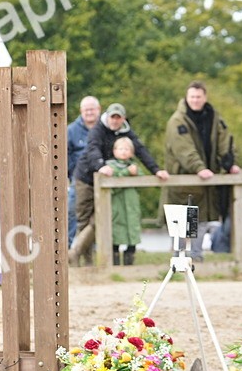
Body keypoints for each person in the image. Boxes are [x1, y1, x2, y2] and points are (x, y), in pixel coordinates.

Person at [68, 102, 169, 266]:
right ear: (107, 116)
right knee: (83, 220)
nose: (115, 121)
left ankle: (75, 253)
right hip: (86, 178)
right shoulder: (98, 130)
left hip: (105, 182)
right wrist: (101, 166)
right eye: (112, 117)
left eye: (118, 118)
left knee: (99, 219)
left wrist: (156, 169)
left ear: (123, 118)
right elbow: (93, 149)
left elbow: (141, 150)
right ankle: (85, 260)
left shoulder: (126, 131)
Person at [164, 81, 241, 261]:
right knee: (182, 219)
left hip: (207, 181)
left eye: (199, 97)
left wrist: (231, 164)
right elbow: (184, 149)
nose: (195, 100)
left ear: (204, 97)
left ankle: (197, 258)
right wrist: (199, 168)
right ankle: (179, 259)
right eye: (192, 96)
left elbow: (225, 142)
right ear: (186, 97)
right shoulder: (177, 121)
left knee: (202, 219)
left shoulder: (214, 117)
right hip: (184, 178)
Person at [66, 96, 101, 245]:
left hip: (100, 177)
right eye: (86, 109)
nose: (89, 112)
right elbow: (65, 154)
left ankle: (91, 248)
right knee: (74, 212)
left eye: (92, 109)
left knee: (97, 214)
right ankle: (68, 247)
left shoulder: (104, 128)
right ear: (81, 111)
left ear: (98, 110)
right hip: (78, 178)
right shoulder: (72, 130)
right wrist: (69, 175)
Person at [106, 137, 142, 265]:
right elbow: (112, 183)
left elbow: (142, 182)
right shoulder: (110, 166)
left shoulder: (135, 166)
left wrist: (136, 173)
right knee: (115, 234)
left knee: (132, 234)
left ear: (132, 152)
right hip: (117, 207)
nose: (124, 151)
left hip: (132, 207)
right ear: (114, 151)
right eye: (120, 148)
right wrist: (127, 172)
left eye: (127, 149)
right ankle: (114, 263)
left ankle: (129, 262)